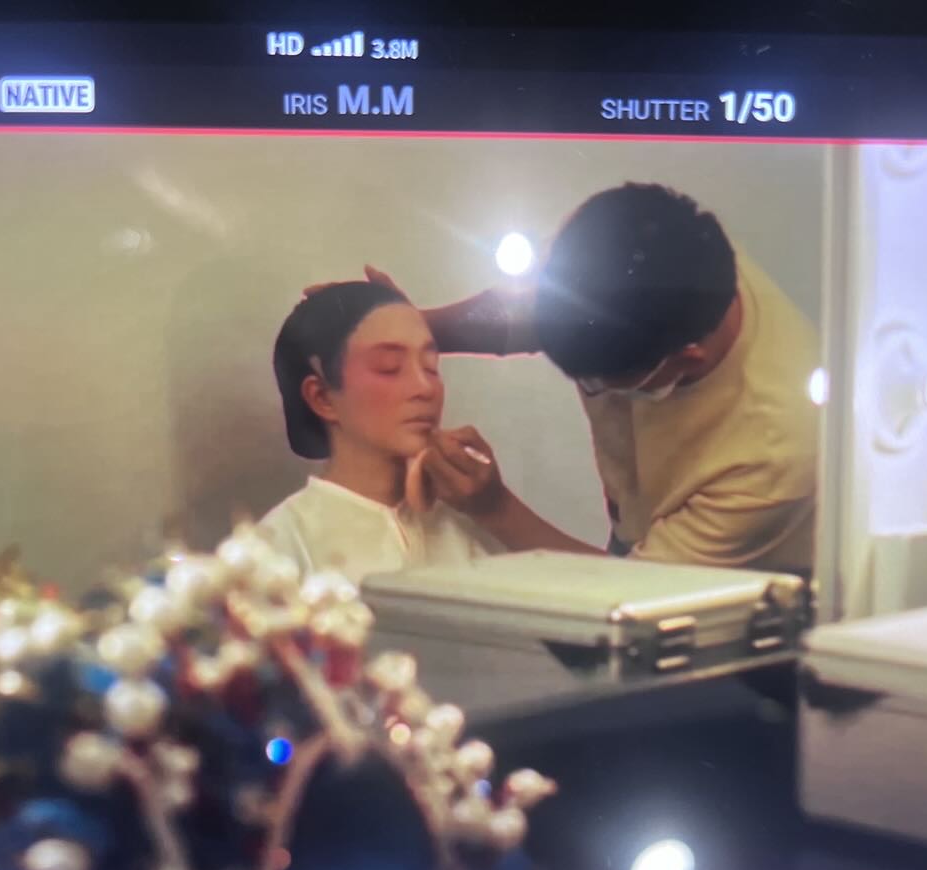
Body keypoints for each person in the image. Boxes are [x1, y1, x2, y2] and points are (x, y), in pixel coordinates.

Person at [368, 182, 821, 573]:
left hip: (742, 583)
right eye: (389, 367)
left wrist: (495, 508)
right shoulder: (619, 240)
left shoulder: (776, 450)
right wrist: (418, 327)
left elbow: (635, 592)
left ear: (685, 359)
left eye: (597, 383)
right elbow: (528, 310)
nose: (421, 386)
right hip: (638, 534)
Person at [260, 281, 498, 583]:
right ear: (322, 398)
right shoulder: (281, 545)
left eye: (430, 366)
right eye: (390, 367)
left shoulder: (460, 532)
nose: (425, 388)